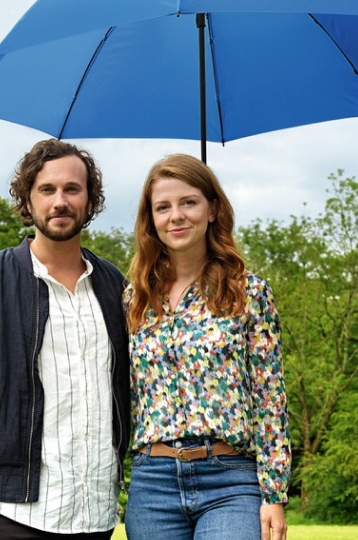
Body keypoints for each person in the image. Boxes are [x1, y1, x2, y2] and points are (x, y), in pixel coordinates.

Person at [0, 139, 131, 540]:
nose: (60, 201)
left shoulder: (116, 287)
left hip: (95, 512)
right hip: (8, 510)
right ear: (28, 199)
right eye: (47, 190)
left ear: (90, 200)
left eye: (72, 189)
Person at [123, 154, 290, 540]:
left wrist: (275, 492)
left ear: (212, 208)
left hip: (231, 481)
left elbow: (270, 397)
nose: (176, 216)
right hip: (153, 483)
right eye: (163, 207)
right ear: (151, 220)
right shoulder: (135, 299)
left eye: (189, 202)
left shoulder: (248, 292)